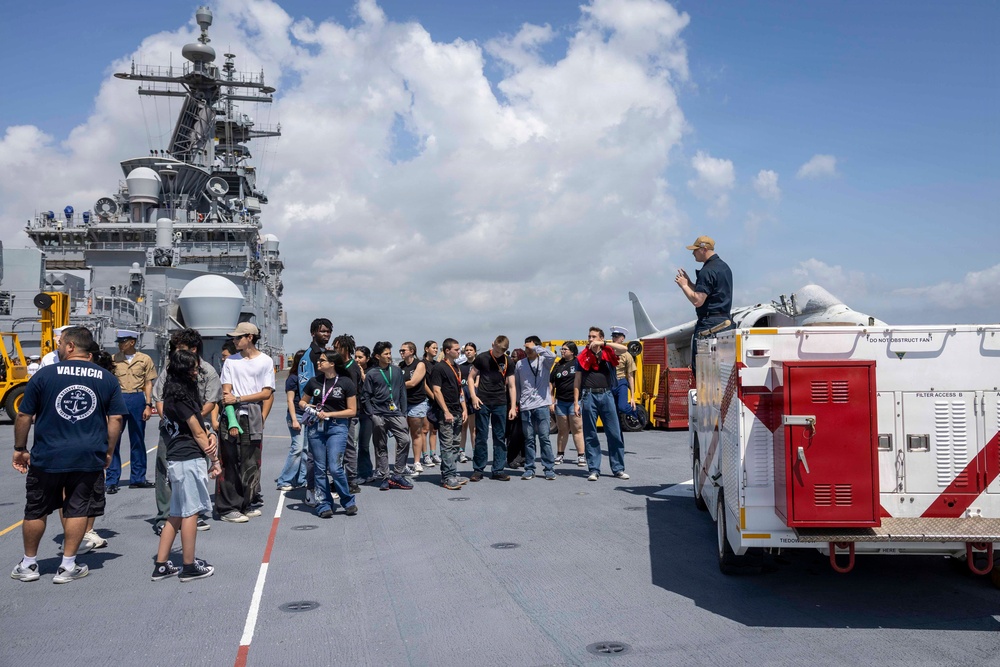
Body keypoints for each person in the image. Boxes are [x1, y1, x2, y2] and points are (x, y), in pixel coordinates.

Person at [10, 326, 127, 584]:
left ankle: (29, 564)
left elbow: (23, 415)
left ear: (71, 346)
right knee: (77, 509)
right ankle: (67, 566)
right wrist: (108, 451)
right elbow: (116, 418)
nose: (59, 347)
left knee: (36, 510)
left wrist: (20, 449)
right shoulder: (106, 378)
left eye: (61, 343)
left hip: (47, 455)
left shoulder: (44, 375)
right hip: (87, 457)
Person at [151, 349, 221, 582]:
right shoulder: (183, 398)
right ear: (185, 371)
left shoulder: (170, 396)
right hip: (188, 458)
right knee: (191, 512)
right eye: (192, 368)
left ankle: (161, 564)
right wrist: (215, 459)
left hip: (176, 457)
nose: (196, 371)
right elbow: (198, 431)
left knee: (177, 513)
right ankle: (189, 565)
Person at [216, 323, 275, 523]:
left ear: (249, 337)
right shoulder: (231, 361)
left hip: (253, 414)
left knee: (251, 463)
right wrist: (232, 420)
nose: (234, 340)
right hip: (233, 415)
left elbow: (267, 393)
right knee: (229, 461)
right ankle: (227, 507)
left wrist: (240, 400)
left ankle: (245, 503)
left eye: (238, 337)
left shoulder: (266, 361)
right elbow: (226, 393)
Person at [299, 349, 359, 518]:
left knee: (335, 467)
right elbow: (303, 401)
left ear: (332, 364)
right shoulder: (314, 382)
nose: (319, 363)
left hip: (337, 427)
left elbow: (352, 411)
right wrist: (308, 407)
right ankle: (324, 503)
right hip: (316, 427)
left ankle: (348, 500)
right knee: (319, 468)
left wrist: (330, 414)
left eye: (322, 361)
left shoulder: (346, 383)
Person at [574, 327, 631, 482]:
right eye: (589, 336)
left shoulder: (608, 352)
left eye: (594, 337)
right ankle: (593, 469)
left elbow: (624, 348)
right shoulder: (582, 356)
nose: (590, 339)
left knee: (614, 432)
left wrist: (604, 343)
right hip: (588, 395)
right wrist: (576, 402)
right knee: (590, 434)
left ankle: (618, 469)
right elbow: (577, 380)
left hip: (606, 395)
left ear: (600, 338)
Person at [105, 329, 157, 494]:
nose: (120, 345)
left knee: (138, 440)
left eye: (123, 341)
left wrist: (148, 405)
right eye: (119, 342)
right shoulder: (113, 360)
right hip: (118, 400)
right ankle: (112, 480)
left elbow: (148, 383)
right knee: (113, 440)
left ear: (132, 342)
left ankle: (138, 478)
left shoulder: (144, 359)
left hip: (137, 400)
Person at [674, 235, 734, 374]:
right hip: (725, 322)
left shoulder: (707, 271)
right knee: (723, 368)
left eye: (695, 250)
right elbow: (710, 293)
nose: (693, 253)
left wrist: (683, 286)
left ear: (704, 249)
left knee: (703, 369)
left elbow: (698, 300)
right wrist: (689, 283)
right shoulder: (723, 267)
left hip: (709, 325)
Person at [361, 341, 413, 490]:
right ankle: (384, 476)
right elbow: (366, 396)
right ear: (378, 356)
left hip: (396, 413)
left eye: (390, 353)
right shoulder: (372, 373)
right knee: (380, 445)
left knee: (404, 440)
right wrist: (372, 414)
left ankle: (397, 474)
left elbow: (402, 391)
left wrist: (403, 412)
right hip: (378, 413)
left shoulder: (396, 371)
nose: (389, 356)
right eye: (386, 354)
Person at [508, 336, 557, 480]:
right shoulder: (520, 364)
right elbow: (516, 385)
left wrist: (536, 348)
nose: (527, 350)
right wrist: (516, 404)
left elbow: (553, 355)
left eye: (530, 347)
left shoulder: (544, 361)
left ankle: (549, 468)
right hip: (526, 405)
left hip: (541, 404)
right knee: (529, 439)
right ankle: (529, 468)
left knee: (544, 438)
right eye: (526, 348)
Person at [467, 335, 513, 482]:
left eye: (501, 352)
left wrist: (513, 407)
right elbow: (470, 377)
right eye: (497, 351)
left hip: (500, 402)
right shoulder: (482, 358)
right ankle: (478, 469)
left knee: (499, 437)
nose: (499, 354)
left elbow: (512, 385)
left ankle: (498, 469)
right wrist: (474, 396)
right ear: (492, 344)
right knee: (481, 436)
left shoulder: (509, 361)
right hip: (483, 401)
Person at [428, 338, 467, 490]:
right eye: (456, 349)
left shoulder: (457, 367)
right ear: (447, 351)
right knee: (447, 445)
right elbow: (436, 390)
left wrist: (464, 409)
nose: (459, 351)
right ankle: (447, 476)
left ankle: (453, 472)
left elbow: (460, 390)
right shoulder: (439, 368)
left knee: (456, 444)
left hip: (457, 410)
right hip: (446, 413)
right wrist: (445, 411)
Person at [332, 334, 364, 494]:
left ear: (344, 348)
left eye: (337, 347)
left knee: (350, 446)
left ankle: (351, 480)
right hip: (339, 412)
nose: (334, 349)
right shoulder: (341, 366)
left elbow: (351, 391)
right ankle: (341, 478)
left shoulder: (351, 368)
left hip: (349, 414)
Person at [275, 350, 309, 492]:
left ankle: (302, 479)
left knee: (306, 450)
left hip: (307, 415)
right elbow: (290, 400)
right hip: (297, 415)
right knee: (297, 448)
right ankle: (284, 480)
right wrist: (294, 420)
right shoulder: (293, 378)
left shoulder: (307, 378)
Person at [550, 342, 586, 466]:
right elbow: (551, 383)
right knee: (562, 430)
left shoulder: (578, 363)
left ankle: (581, 456)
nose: (562, 351)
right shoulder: (558, 365)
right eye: (562, 349)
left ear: (572, 351)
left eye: (565, 349)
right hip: (561, 402)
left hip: (574, 402)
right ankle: (560, 454)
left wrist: (577, 403)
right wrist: (551, 400)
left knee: (577, 429)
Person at [399, 342, 430, 473]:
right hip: (403, 403)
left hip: (417, 402)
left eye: (403, 350)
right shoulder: (400, 366)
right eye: (400, 350)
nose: (401, 352)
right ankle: (402, 462)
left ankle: (417, 462)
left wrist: (396, 385)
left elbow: (413, 382)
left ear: (412, 351)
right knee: (402, 434)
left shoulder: (419, 364)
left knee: (416, 433)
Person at [354, 346, 376, 483]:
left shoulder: (372, 372)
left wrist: (362, 374)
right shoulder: (351, 370)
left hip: (367, 412)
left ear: (367, 359)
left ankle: (365, 473)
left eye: (360, 357)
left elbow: (372, 388)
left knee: (364, 444)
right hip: (354, 410)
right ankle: (358, 471)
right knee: (352, 444)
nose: (357, 360)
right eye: (355, 357)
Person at [609, 326, 637, 426]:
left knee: (622, 406)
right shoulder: (607, 352)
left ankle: (636, 414)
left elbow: (630, 376)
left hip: (621, 383)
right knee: (612, 411)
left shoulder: (627, 355)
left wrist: (633, 397)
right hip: (609, 383)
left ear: (622, 339)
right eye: (613, 336)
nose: (614, 338)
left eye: (617, 336)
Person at [421, 341, 441, 467]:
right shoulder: (422, 364)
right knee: (424, 429)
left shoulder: (438, 365)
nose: (436, 350)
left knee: (434, 429)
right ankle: (425, 455)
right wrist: (433, 396)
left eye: (437, 348)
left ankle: (434, 453)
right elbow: (423, 383)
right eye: (434, 348)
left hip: (437, 400)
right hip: (426, 399)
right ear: (426, 349)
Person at [458, 342, 477, 463]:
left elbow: (478, 383)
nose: (468, 352)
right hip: (463, 399)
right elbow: (459, 383)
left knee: (473, 428)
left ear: (475, 351)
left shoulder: (479, 365)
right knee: (463, 427)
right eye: (467, 350)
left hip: (474, 398)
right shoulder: (461, 366)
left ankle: (475, 452)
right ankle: (461, 452)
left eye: (471, 350)